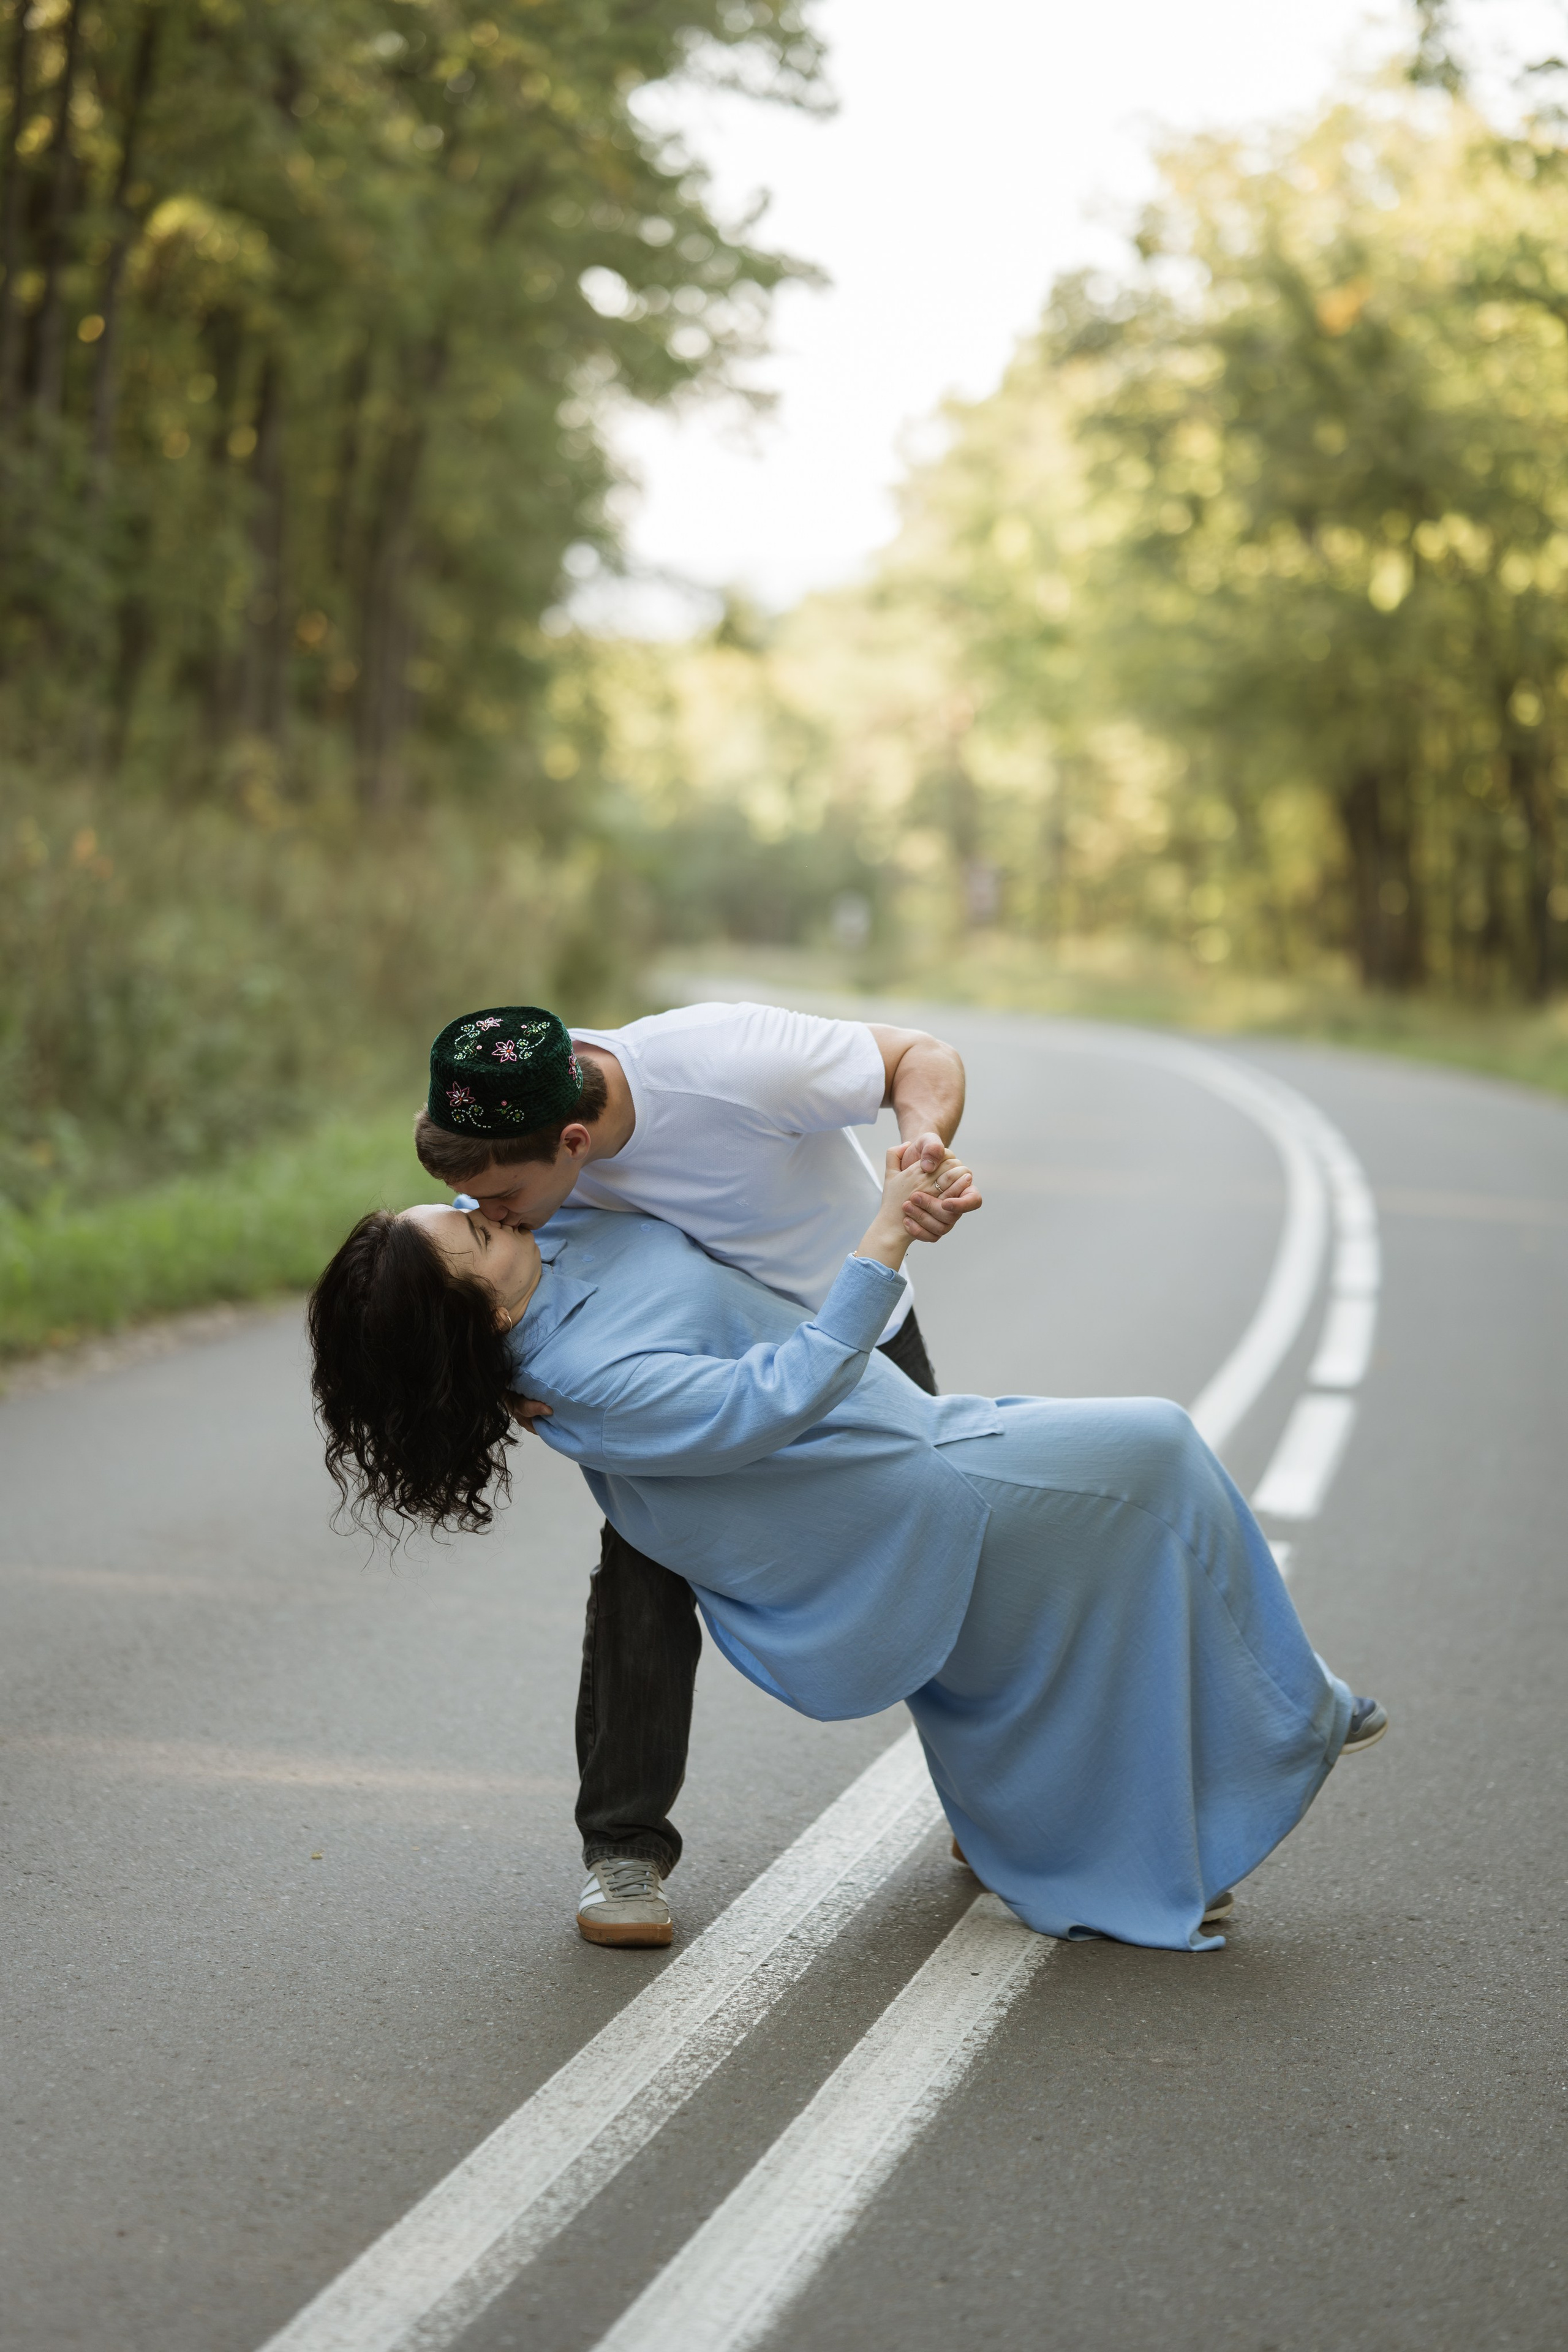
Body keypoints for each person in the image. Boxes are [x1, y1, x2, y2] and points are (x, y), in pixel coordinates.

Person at [308, 1138, 1389, 1956]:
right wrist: (888, 1233)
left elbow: (551, 1139)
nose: (489, 1214)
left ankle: (1074, 1834)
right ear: (485, 1318)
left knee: (1032, 1635)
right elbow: (784, 1391)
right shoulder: (589, 1380)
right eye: (476, 1235)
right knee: (1157, 1449)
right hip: (895, 1478)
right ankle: (1301, 1706)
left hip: (912, 1427)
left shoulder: (555, 1239)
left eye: (472, 1208)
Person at [409, 1001, 982, 1948]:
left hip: (855, 1335)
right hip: (677, 1368)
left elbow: (919, 1055)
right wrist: (491, 1370)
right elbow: (466, 1277)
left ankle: (994, 1804)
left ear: (574, 1142)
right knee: (642, 1572)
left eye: (502, 1198)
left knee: (942, 1551)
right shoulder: (507, 1141)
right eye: (475, 1205)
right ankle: (623, 1852)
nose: (491, 1217)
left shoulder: (725, 1065)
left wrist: (921, 1144)